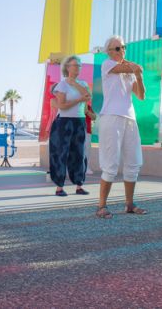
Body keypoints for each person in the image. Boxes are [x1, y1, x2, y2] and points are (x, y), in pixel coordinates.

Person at [96, 36, 147, 219]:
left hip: (130, 119)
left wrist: (138, 75)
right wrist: (134, 67)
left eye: (123, 47)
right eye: (117, 48)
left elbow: (141, 95)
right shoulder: (107, 64)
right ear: (109, 51)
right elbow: (128, 67)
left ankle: (130, 204)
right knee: (111, 164)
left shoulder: (129, 71)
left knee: (133, 163)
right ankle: (101, 206)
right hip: (111, 117)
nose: (122, 50)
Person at [49, 55, 91, 196]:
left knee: (79, 154)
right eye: (75, 65)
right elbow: (62, 106)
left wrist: (74, 84)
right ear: (67, 67)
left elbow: (88, 96)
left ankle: (79, 185)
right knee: (61, 154)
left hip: (79, 121)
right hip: (64, 122)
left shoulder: (83, 84)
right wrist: (79, 99)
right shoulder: (62, 84)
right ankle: (59, 187)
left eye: (79, 65)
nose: (78, 67)